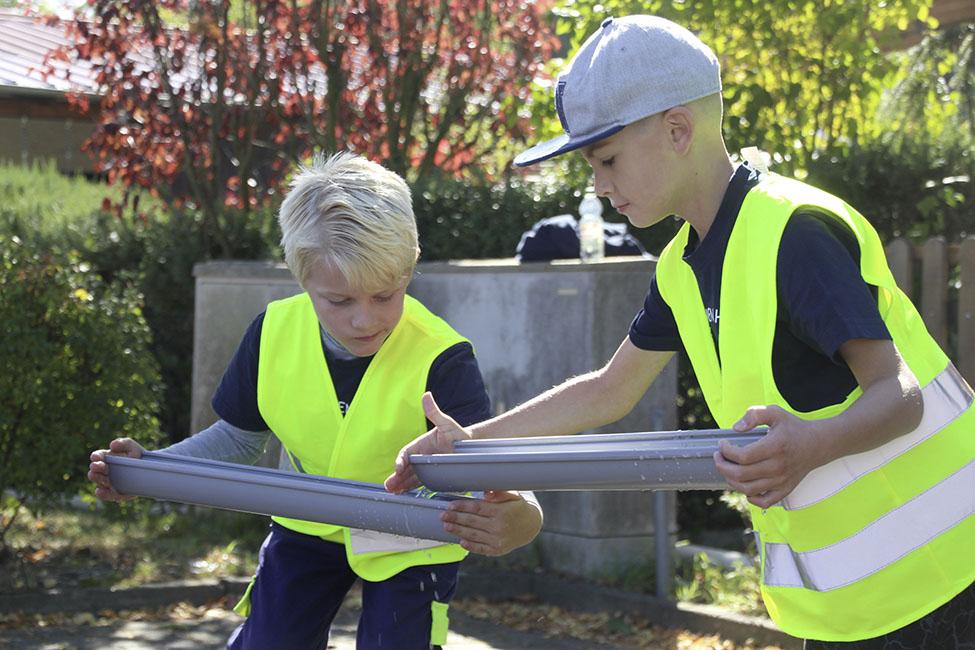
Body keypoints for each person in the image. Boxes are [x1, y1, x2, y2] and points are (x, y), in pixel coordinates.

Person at [386, 15, 975, 648]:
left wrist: (811, 445)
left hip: (948, 581)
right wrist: (468, 442)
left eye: (607, 159)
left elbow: (900, 396)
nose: (599, 185)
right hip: (860, 604)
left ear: (676, 130)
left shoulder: (794, 233)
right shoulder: (680, 267)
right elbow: (608, 390)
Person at [88, 152, 543, 650]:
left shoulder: (444, 355)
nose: (364, 320)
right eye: (340, 301)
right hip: (307, 521)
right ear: (301, 278)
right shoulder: (272, 332)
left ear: (410, 268)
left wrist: (518, 509)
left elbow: (488, 465)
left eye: (385, 295)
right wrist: (151, 469)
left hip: (412, 536)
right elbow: (237, 442)